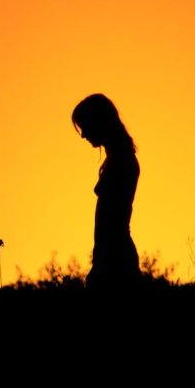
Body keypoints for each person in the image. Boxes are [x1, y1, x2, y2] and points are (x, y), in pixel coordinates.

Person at [72, 94, 141, 289]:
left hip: (115, 256)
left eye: (85, 126)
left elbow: (112, 222)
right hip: (112, 253)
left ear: (99, 122)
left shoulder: (121, 161)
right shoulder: (118, 158)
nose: (83, 135)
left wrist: (101, 263)